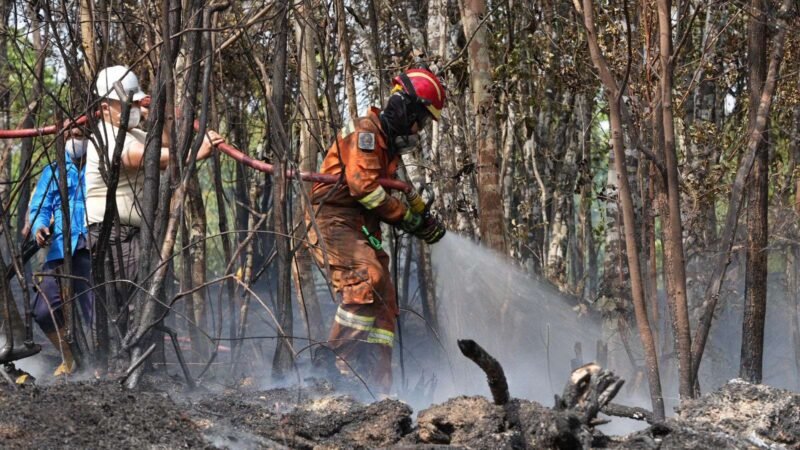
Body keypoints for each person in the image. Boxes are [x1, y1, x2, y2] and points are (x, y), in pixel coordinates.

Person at [307, 68, 447, 393]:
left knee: (384, 300)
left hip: (359, 224)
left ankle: (378, 392)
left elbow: (389, 193)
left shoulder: (387, 146)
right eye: (419, 120)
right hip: (332, 217)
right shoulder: (365, 133)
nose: (417, 129)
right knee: (367, 277)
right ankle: (328, 371)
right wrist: (407, 219)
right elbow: (364, 188)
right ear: (405, 108)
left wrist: (420, 219)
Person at [84, 66, 222, 336]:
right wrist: (198, 151)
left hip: (134, 233)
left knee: (145, 298)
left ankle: (134, 364)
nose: (134, 108)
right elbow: (145, 157)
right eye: (128, 103)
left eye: (137, 103)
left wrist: (162, 119)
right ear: (105, 107)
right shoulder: (107, 136)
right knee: (133, 301)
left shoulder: (132, 132)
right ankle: (119, 366)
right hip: (112, 235)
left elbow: (167, 147)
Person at [28, 133, 92, 376]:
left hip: (92, 246)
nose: (75, 138)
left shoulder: (102, 165)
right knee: (43, 309)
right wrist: (39, 227)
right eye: (72, 134)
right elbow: (40, 207)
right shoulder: (53, 170)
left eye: (80, 133)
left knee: (95, 313)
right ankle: (70, 358)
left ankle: (101, 367)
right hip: (59, 251)